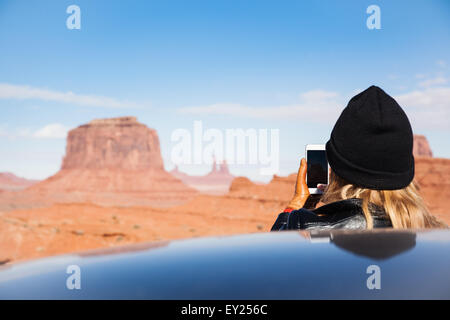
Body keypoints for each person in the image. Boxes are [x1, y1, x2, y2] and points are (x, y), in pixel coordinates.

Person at [271, 86, 446, 231]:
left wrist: (296, 206)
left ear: (336, 170)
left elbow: (271, 264)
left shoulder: (304, 229)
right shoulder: (438, 235)